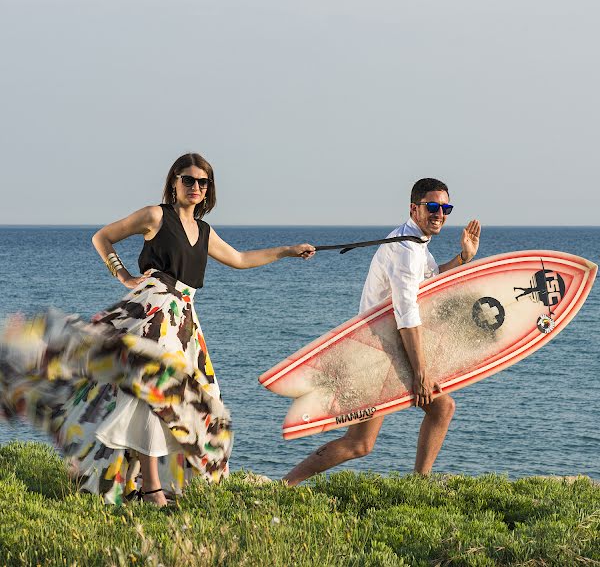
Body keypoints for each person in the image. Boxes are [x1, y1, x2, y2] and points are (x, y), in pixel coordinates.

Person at [0, 152, 315, 506]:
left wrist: (288, 251)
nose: (195, 187)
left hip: (184, 320)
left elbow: (240, 260)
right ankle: (152, 490)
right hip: (153, 309)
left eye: (203, 182)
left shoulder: (204, 231)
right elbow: (102, 237)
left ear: (209, 189)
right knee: (157, 394)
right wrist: (122, 275)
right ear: (174, 183)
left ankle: (140, 482)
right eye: (188, 180)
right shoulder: (155, 216)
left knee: (190, 400)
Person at [283, 178, 481, 486]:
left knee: (364, 441)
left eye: (445, 208)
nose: (439, 213)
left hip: (382, 349)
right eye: (432, 207)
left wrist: (463, 260)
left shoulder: (414, 243)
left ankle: (287, 485)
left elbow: (429, 281)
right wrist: (420, 372)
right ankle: (287, 485)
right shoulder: (406, 251)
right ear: (414, 209)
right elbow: (407, 313)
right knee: (369, 439)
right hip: (376, 354)